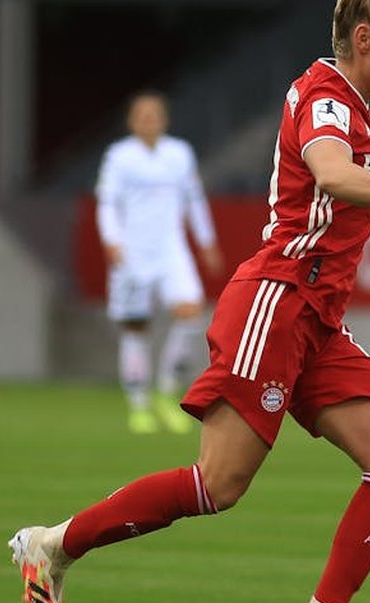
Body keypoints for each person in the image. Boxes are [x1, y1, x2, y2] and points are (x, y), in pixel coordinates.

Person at [9, 1, 370, 603]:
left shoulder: (351, 107)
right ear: (364, 39)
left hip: (317, 322)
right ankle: (53, 545)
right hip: (276, 305)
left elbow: (342, 176)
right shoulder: (327, 98)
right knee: (217, 485)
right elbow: (332, 174)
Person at [95, 91, 225, 434]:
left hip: (171, 249)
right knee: (135, 326)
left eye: (154, 114)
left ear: (164, 119)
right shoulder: (119, 157)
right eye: (142, 114)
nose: (148, 120)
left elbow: (194, 200)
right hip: (132, 251)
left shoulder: (179, 154)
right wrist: (112, 241)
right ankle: (138, 404)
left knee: (191, 313)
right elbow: (107, 203)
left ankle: (166, 390)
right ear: (131, 121)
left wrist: (207, 241)